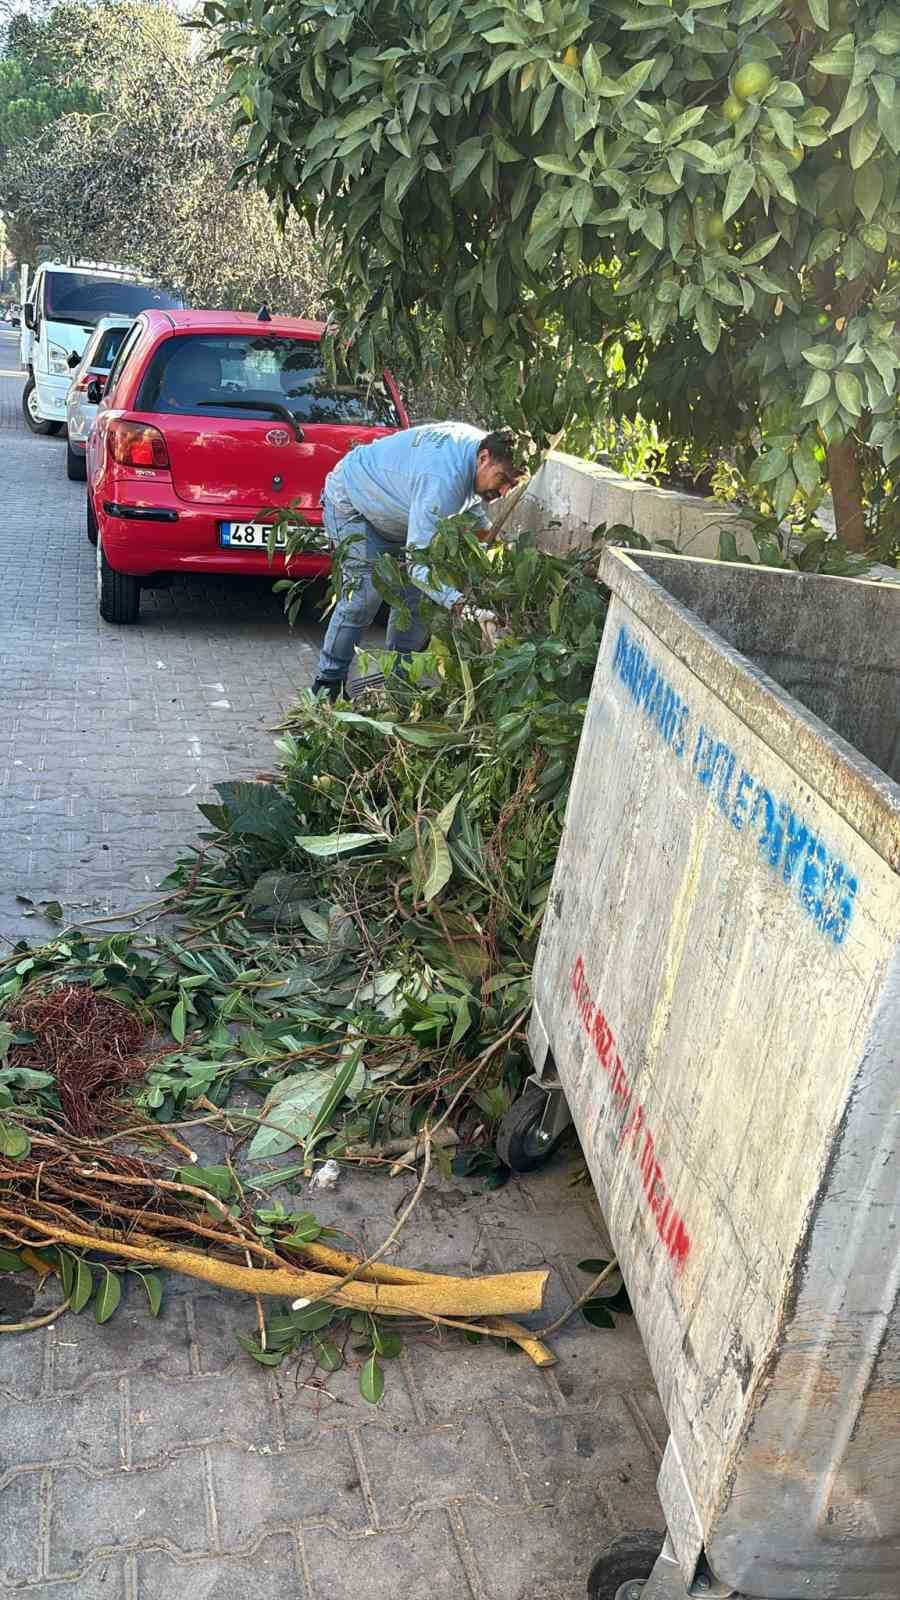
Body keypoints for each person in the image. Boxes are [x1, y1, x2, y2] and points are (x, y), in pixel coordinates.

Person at [312, 422, 524, 697]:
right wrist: (462, 606)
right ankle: (328, 683)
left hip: (399, 515)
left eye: (513, 485)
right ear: (484, 458)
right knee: (364, 596)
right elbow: (419, 566)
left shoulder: (478, 455)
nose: (505, 491)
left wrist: (501, 549)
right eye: (503, 479)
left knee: (418, 601)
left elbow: (471, 514)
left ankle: (399, 684)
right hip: (353, 503)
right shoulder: (441, 480)